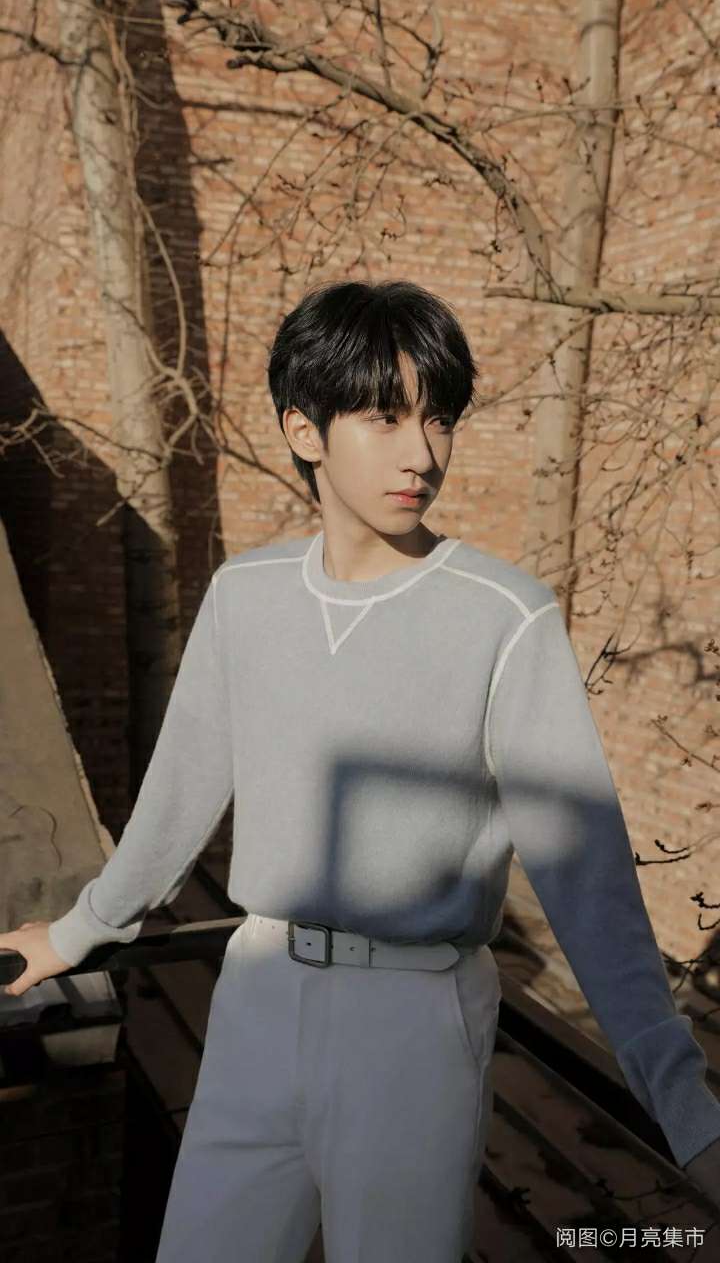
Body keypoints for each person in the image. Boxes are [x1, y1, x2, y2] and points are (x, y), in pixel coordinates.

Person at [2, 279, 719, 1260]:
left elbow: (584, 871)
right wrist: (78, 929)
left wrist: (689, 1111)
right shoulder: (246, 595)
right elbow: (178, 795)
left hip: (417, 1022)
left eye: (439, 417)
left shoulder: (505, 616)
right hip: (256, 992)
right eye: (385, 417)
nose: (422, 452)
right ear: (304, 430)